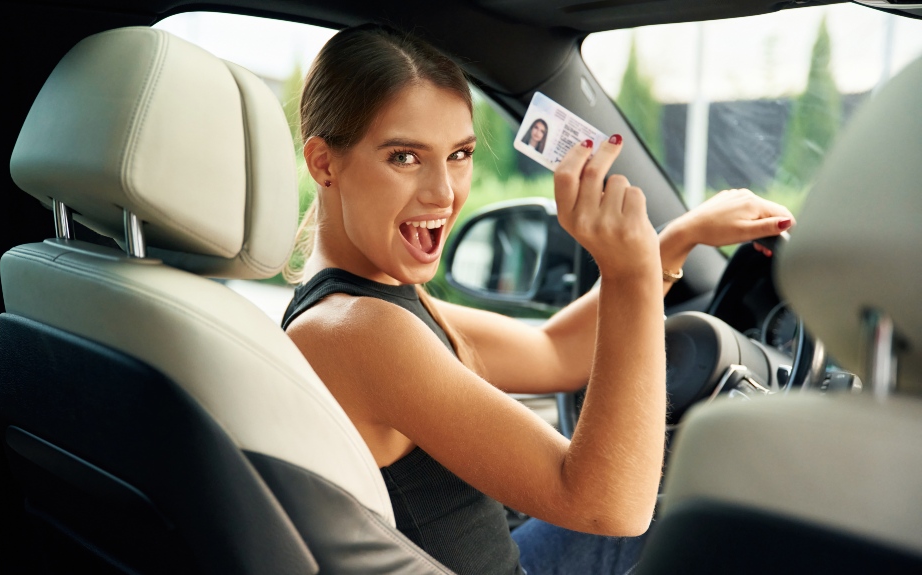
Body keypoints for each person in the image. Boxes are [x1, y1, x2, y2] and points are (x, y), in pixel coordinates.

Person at [282, 25, 794, 575]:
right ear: (324, 163)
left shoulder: (364, 304)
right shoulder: (358, 330)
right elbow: (607, 507)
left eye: (460, 154)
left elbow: (555, 352)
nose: (445, 192)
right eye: (404, 157)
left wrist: (672, 240)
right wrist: (631, 275)